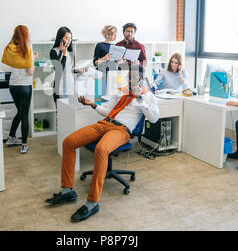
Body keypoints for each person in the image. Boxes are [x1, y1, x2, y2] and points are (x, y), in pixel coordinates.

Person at [45, 67, 159, 222]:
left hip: (121, 130)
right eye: (129, 77)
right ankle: (67, 190)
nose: (131, 80)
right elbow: (108, 111)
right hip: (105, 123)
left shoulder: (148, 96)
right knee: (69, 142)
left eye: (134, 77)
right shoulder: (121, 91)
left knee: (101, 149)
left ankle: (92, 202)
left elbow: (153, 119)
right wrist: (92, 104)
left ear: (141, 78)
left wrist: (140, 98)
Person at [1, 25, 38, 154]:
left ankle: (11, 137)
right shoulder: (27, 48)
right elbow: (30, 71)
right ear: (26, 34)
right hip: (25, 85)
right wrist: (33, 59)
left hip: (13, 85)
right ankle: (24, 144)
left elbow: (8, 67)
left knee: (20, 111)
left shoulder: (9, 48)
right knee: (24, 114)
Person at [50, 27, 75, 105]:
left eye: (70, 38)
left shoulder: (71, 52)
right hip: (60, 86)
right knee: (61, 114)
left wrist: (80, 70)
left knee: (71, 112)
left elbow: (70, 69)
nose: (69, 40)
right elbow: (59, 70)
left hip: (71, 85)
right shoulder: (54, 51)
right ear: (60, 38)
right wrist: (64, 54)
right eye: (67, 38)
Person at [93, 25, 119, 95]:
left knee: (110, 97)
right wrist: (104, 58)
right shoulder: (100, 45)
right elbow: (95, 63)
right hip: (102, 74)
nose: (115, 37)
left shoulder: (115, 46)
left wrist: (119, 62)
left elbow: (115, 64)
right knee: (100, 96)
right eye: (114, 35)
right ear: (107, 35)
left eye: (115, 35)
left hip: (112, 75)